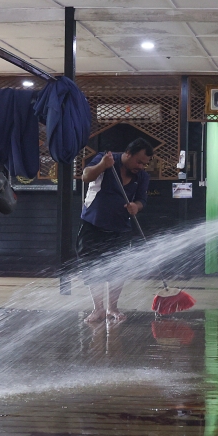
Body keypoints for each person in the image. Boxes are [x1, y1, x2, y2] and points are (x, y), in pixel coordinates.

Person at [78, 138, 152, 323]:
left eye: (145, 163)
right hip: (93, 223)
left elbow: (142, 200)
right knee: (92, 267)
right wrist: (102, 165)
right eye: (139, 161)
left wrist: (137, 206)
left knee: (118, 269)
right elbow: (86, 176)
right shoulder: (107, 160)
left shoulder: (142, 176)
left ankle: (113, 307)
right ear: (128, 154)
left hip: (120, 227)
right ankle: (98, 309)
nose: (141, 166)